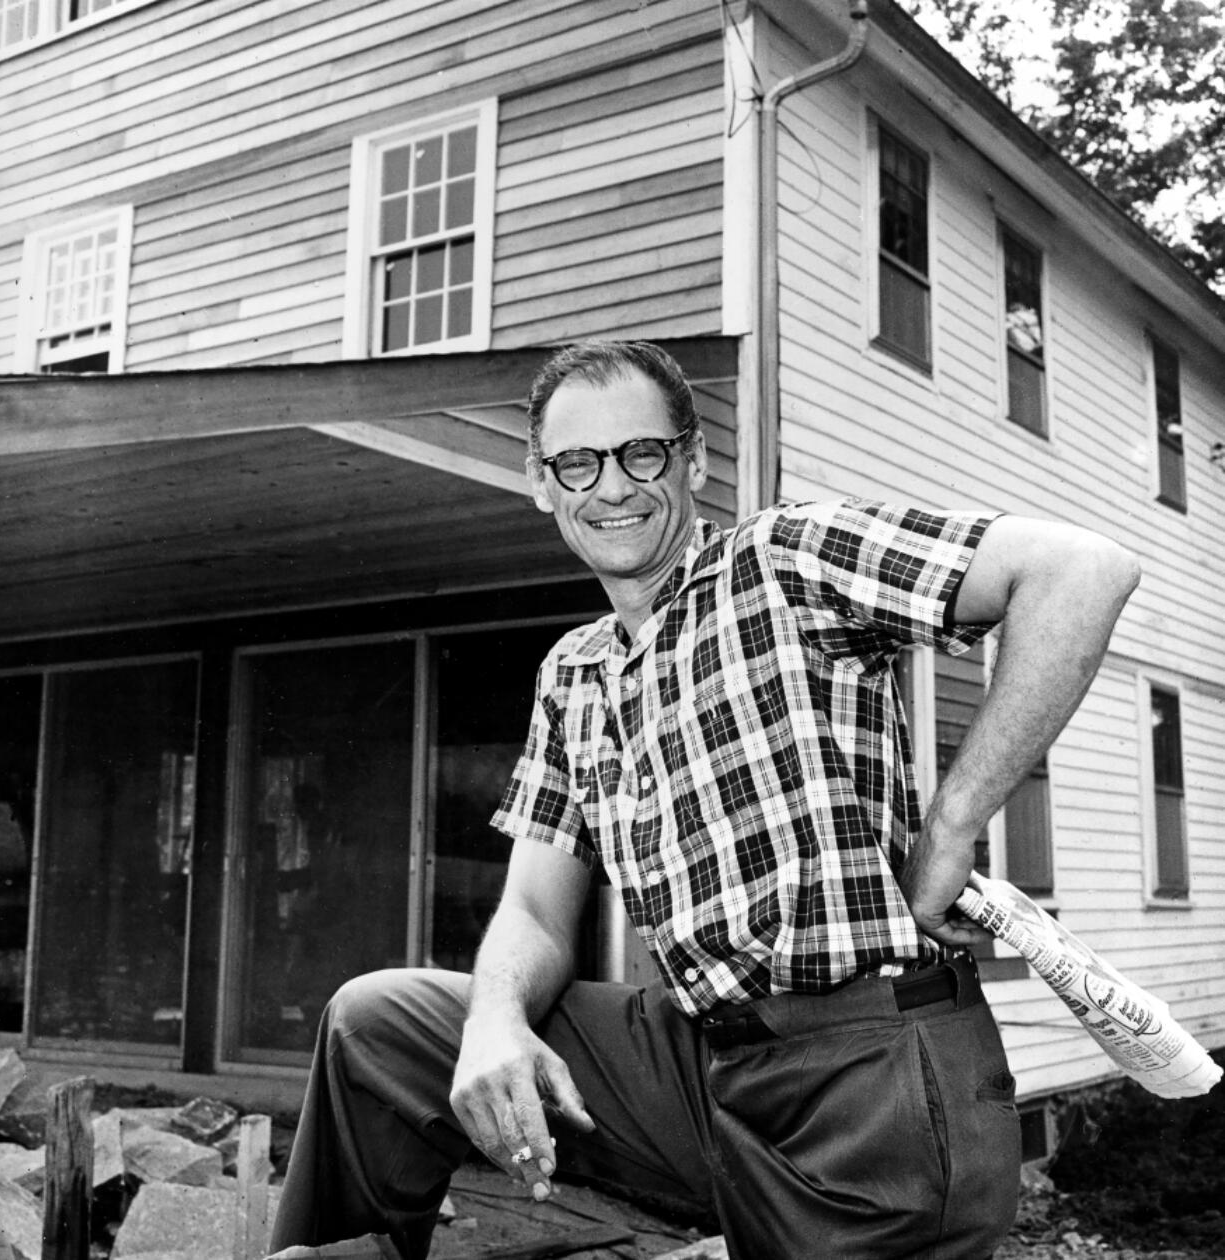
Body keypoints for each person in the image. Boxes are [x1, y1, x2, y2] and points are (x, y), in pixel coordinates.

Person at [270, 341, 1141, 1259]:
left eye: (642, 453)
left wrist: (955, 825)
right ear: (541, 482)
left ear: (694, 461)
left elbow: (1081, 572)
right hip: (701, 1062)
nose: (612, 488)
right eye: (578, 463)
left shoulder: (782, 561)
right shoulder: (573, 675)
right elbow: (534, 908)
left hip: (869, 1073)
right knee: (378, 1025)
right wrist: (491, 1023)